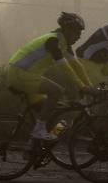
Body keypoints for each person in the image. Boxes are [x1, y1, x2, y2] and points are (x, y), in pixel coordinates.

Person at [7, 12, 93, 140]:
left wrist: (90, 87)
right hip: (20, 73)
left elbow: (77, 66)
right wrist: (82, 87)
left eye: (80, 33)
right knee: (56, 91)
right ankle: (38, 131)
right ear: (67, 29)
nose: (79, 36)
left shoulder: (64, 44)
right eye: (77, 32)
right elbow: (64, 68)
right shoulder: (53, 41)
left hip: (28, 75)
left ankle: (35, 149)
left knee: (55, 109)